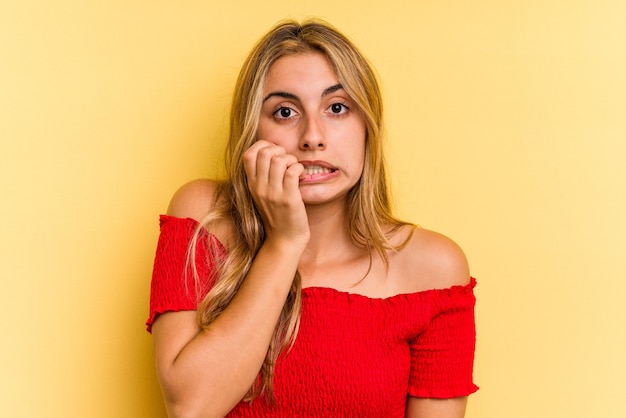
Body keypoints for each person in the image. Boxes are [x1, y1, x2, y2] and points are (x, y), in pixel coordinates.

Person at [146, 19, 478, 418]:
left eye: (337, 108)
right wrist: (284, 243)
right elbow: (191, 408)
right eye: (285, 112)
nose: (312, 137)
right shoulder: (204, 216)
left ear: (367, 126)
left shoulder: (433, 270)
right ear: (253, 133)